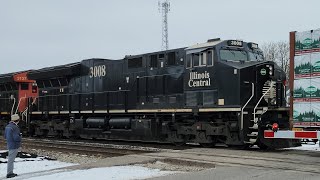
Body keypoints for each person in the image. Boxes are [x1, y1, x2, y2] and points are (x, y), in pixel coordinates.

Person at [4, 114, 21, 178]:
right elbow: (16, 138)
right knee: (11, 160)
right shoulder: (15, 127)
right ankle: (9, 173)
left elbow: (5, 136)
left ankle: (10, 172)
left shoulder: (8, 126)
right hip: (14, 145)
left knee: (10, 159)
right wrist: (20, 136)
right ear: (17, 120)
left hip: (9, 144)